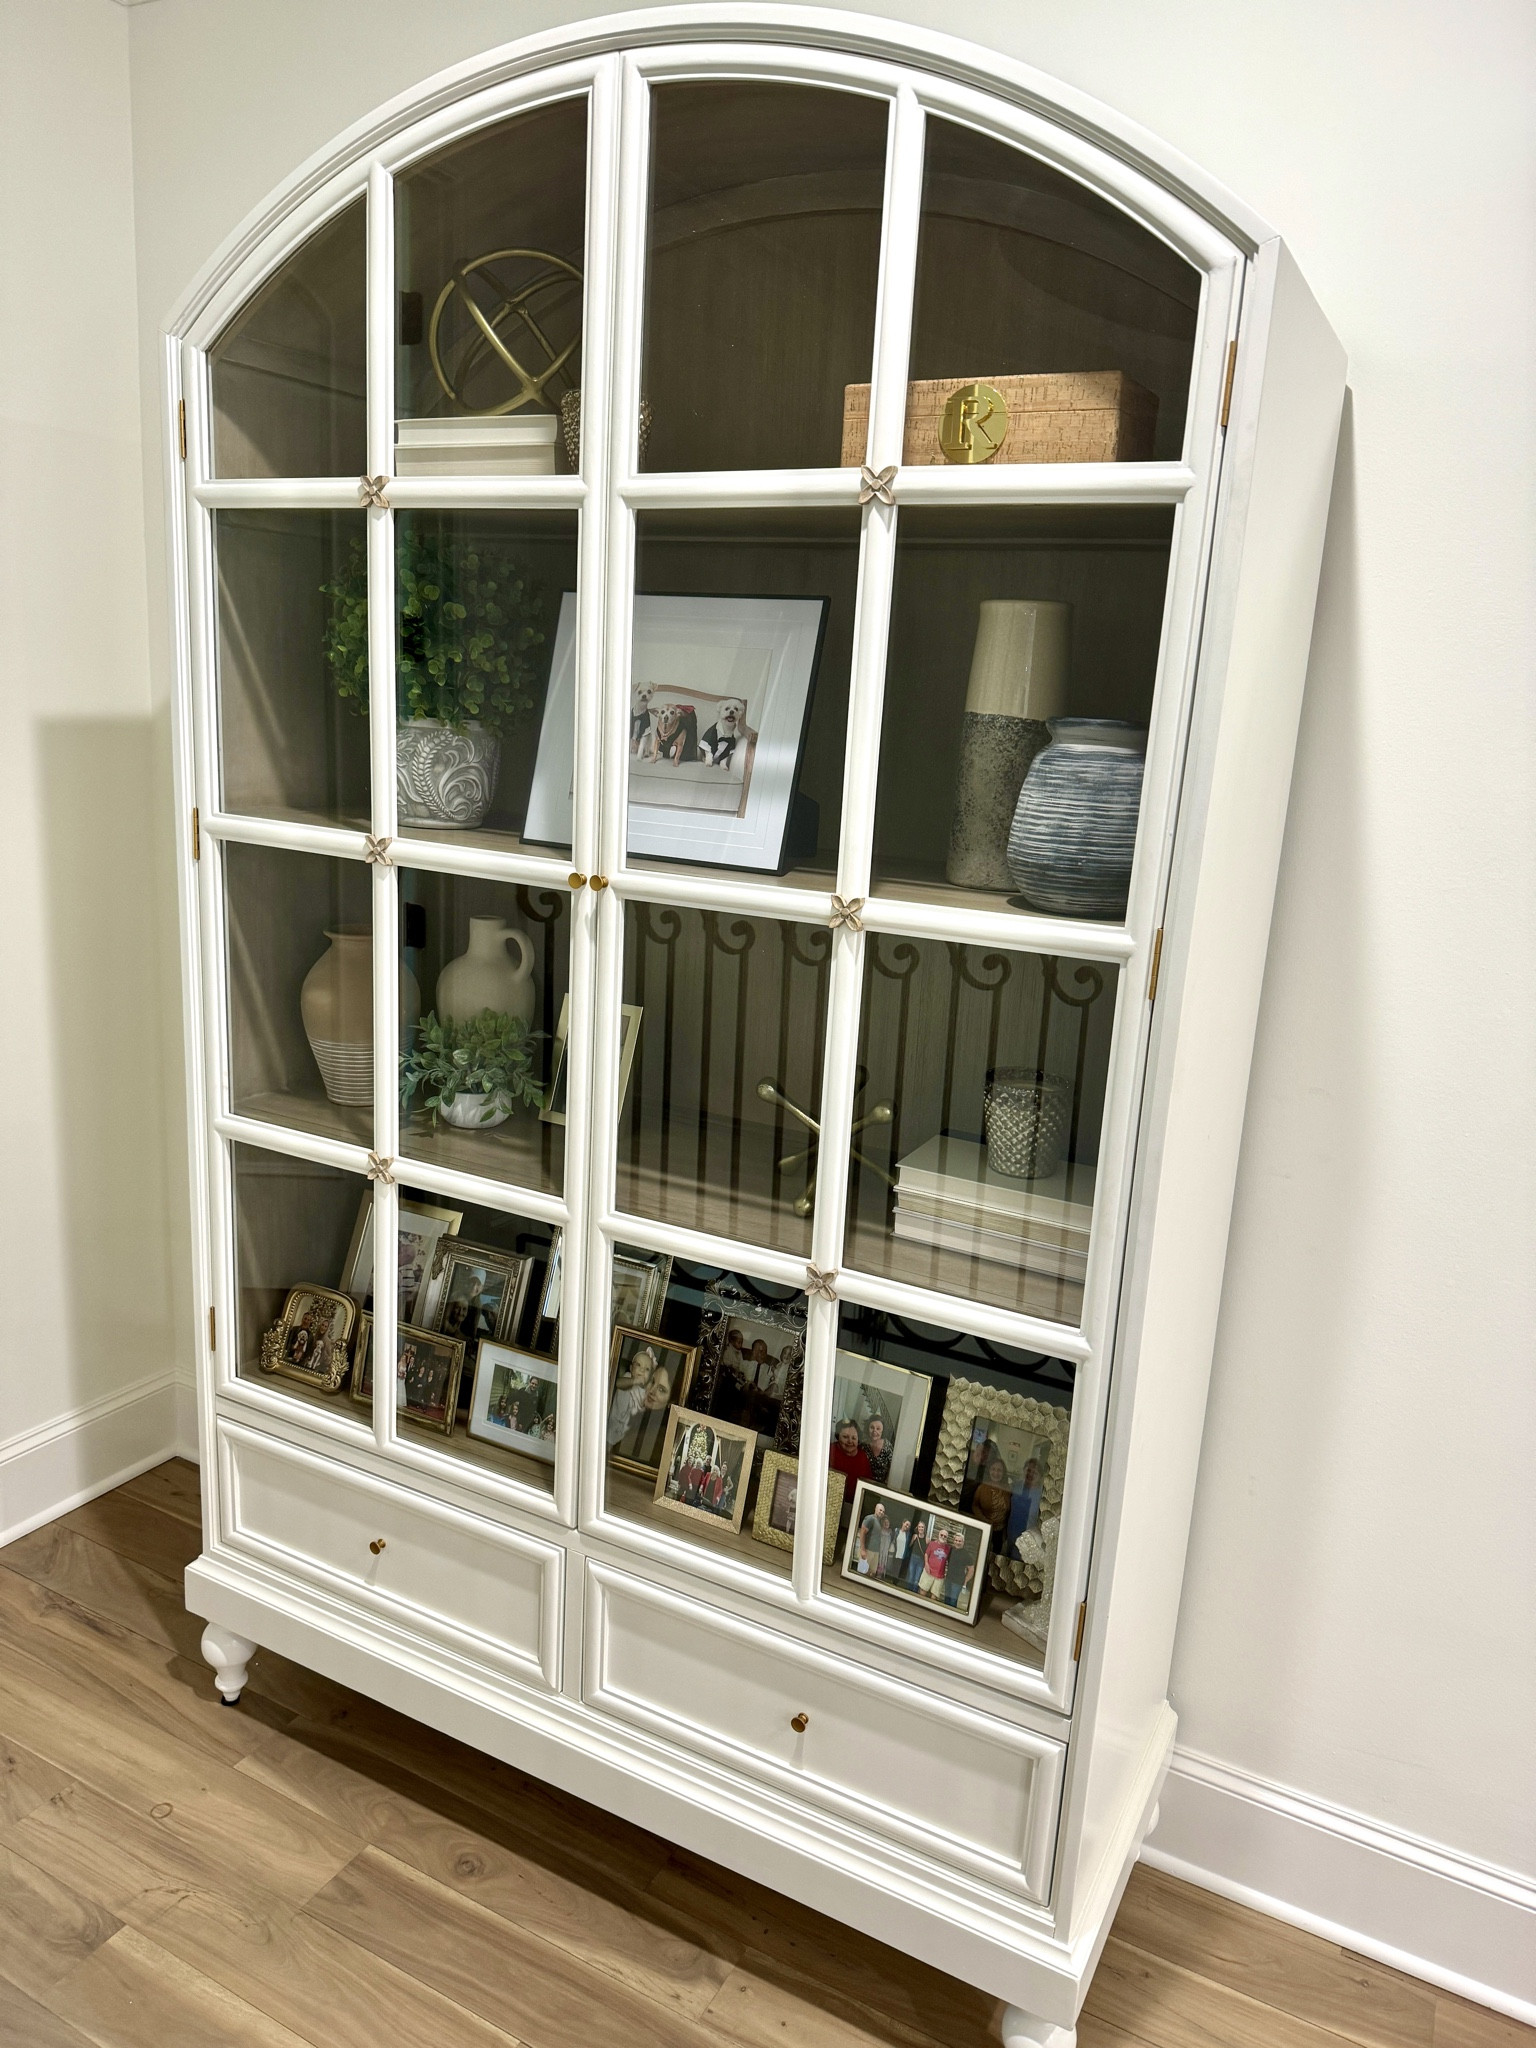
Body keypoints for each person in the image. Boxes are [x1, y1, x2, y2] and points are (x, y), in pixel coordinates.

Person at [971, 1451, 1014, 1536]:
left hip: (1000, 1532)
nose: (996, 1473)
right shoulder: (982, 1487)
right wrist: (984, 1521)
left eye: (999, 1470)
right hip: (984, 1528)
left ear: (1003, 1473)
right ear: (989, 1471)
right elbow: (975, 1506)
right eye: (993, 1469)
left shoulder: (1008, 1489)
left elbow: (1009, 1513)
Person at [829, 1419, 872, 1502]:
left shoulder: (863, 1457)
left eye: (854, 1438)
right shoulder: (830, 1451)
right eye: (845, 1437)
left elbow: (867, 1485)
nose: (850, 1441)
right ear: (838, 1437)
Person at [944, 1526, 977, 1611]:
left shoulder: (966, 1555)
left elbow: (971, 1570)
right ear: (954, 1541)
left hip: (958, 1582)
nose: (957, 1542)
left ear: (963, 1542)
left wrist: (965, 1581)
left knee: (953, 1601)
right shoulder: (950, 1550)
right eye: (956, 1540)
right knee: (946, 1600)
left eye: (959, 1541)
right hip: (948, 1579)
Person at [855, 1500, 890, 1576]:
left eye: (883, 1511)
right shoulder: (870, 1518)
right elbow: (862, 1532)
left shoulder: (879, 1522)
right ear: (875, 1509)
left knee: (872, 1572)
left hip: (875, 1552)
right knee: (862, 1572)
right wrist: (863, 1549)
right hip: (868, 1550)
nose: (882, 1512)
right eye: (880, 1510)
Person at [918, 1524, 951, 1600]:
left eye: (945, 1536)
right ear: (938, 1535)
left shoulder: (948, 1549)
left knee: (934, 1596)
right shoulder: (932, 1544)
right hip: (928, 1571)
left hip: (940, 1575)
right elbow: (926, 1554)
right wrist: (926, 1564)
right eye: (941, 1535)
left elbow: (950, 1561)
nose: (943, 1537)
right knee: (922, 1592)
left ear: (947, 1538)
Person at [863, 1414, 893, 1486]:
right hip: (864, 1483)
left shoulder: (887, 1446)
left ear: (883, 1431)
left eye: (878, 1428)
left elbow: (891, 1467)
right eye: (872, 1427)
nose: (874, 1431)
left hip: (881, 1486)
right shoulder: (863, 1446)